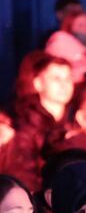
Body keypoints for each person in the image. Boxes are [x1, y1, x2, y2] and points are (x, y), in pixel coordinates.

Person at [1, 54, 74, 191]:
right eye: (56, 78)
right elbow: (24, 177)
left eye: (68, 78)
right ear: (38, 83)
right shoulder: (25, 124)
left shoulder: (73, 122)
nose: (64, 85)